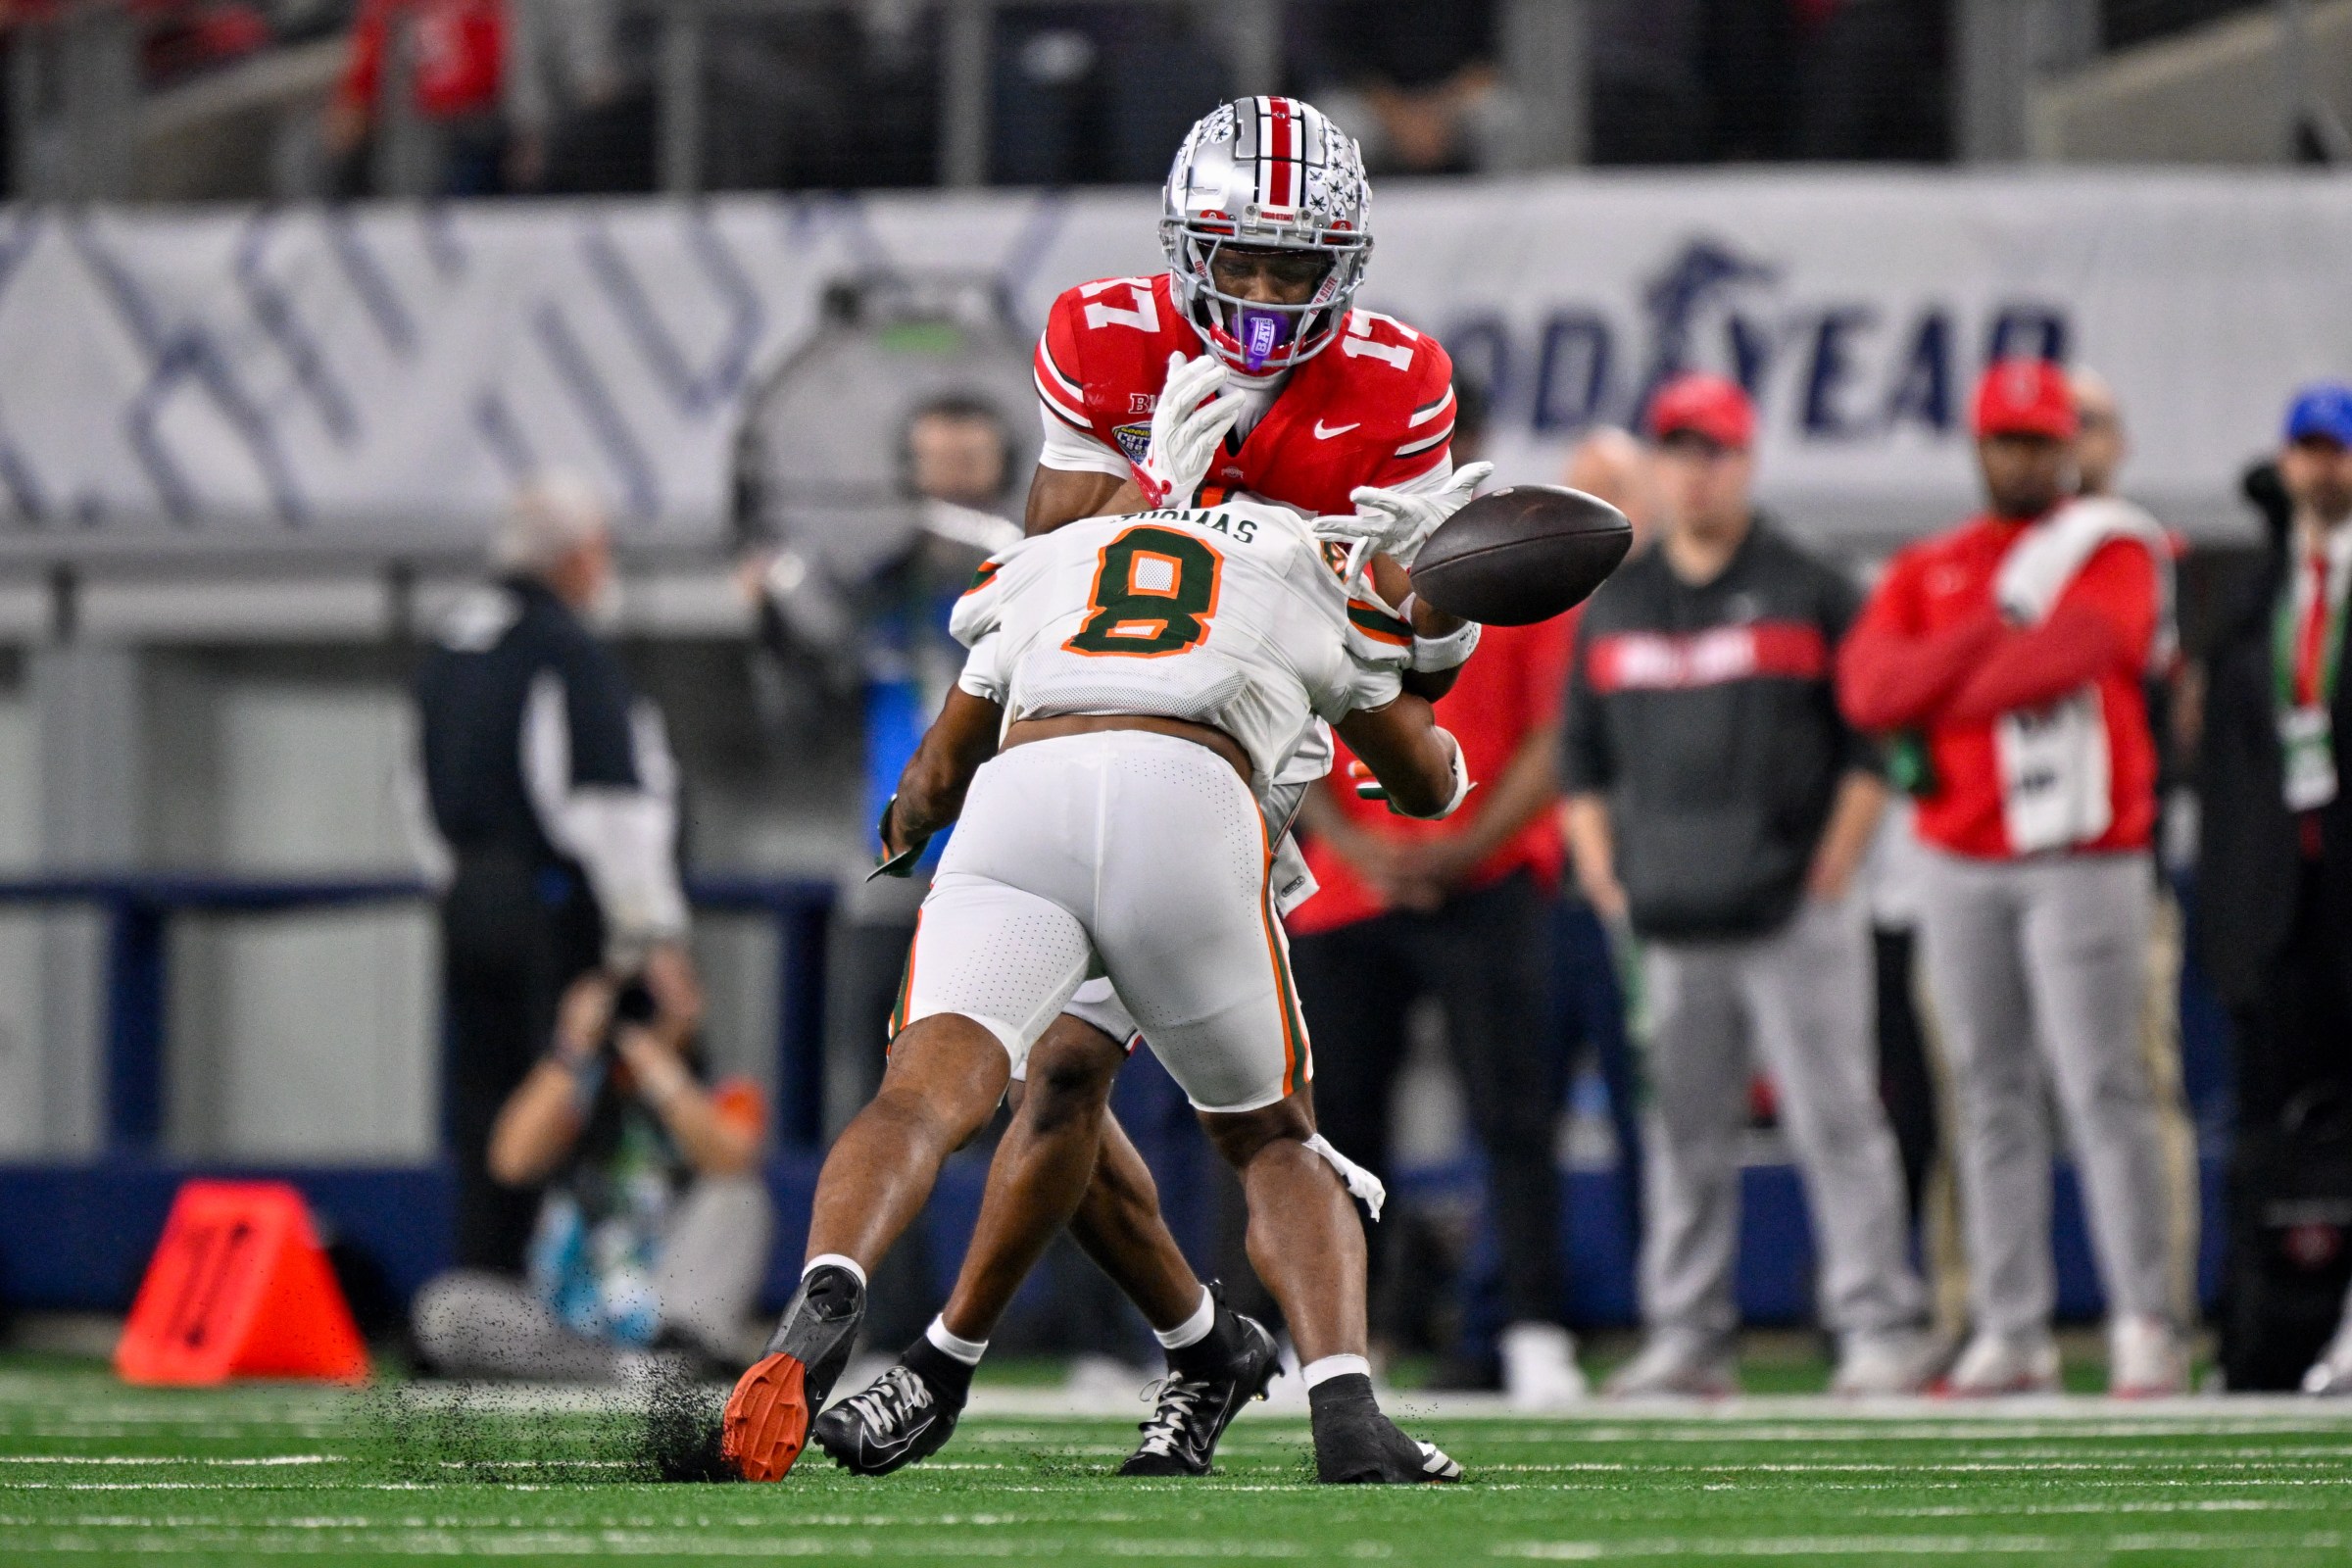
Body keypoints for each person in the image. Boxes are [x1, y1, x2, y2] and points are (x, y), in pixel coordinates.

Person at [835, 95, 1480, 1474]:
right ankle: (1198, 1354)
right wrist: (1154, 483)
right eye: (1234, 263)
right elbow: (1046, 581)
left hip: (1250, 730)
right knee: (1062, 1080)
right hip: (1093, 716)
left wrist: (1421, 617)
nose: (1257, 295)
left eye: (1289, 268)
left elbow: (1402, 670)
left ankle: (965, 1362)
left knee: (1093, 1073)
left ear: (1343, 267)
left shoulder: (1397, 381)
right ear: (1187, 252)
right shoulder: (1107, 332)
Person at [720, 492, 1469, 1487]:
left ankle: (834, 1280)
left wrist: (903, 826)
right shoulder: (1301, 560)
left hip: (1022, 799)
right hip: (1189, 795)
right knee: (1270, 1139)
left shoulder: (1056, 556)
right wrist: (1444, 693)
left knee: (928, 1094)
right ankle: (1345, 1411)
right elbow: (1417, 782)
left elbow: (939, 771)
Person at [1564, 372, 1931, 1397]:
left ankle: (1874, 1325)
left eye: (1714, 450)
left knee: (1838, 1120)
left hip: (1791, 910)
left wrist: (1834, 865)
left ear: (1747, 459)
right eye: (1679, 450)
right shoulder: (1622, 599)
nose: (1697, 470)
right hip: (1672, 917)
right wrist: (1603, 870)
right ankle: (1687, 1336)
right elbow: (1581, 757)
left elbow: (1874, 739)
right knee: (1682, 1135)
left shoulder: (1811, 582)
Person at [1838, 359, 2185, 1396]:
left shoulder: (2113, 542)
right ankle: (2013, 1323)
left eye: (2043, 440)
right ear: (1982, 445)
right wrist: (1989, 637)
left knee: (2106, 1085)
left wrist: (1944, 680)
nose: (2026, 458)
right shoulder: (1935, 563)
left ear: (2071, 447)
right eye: (2009, 439)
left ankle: (2144, 1321)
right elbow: (1867, 688)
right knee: (1985, 1096)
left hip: (2086, 851)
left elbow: (2081, 651)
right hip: (1959, 854)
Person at [1286, 379, 1586, 1408]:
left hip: (1488, 875)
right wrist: (1358, 848)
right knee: (1332, 1129)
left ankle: (1531, 1328)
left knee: (1514, 1112)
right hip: (1347, 883)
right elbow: (1283, 717)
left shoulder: (1520, 556)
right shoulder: (1321, 553)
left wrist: (1461, 847)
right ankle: (1337, 1339)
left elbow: (1555, 734)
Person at [415, 474, 703, 1279]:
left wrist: (457, 882)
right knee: (577, 1101)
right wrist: (649, 930)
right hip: (553, 907)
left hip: (467, 899)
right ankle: (570, 1301)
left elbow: (414, 783)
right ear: (579, 558)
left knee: (481, 1110)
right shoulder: (565, 649)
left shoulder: (450, 645)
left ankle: (482, 1286)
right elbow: (601, 802)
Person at [2194, 383, 2352, 1394]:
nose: (2320, 467)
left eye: (2335, 449)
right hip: (2275, 900)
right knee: (2260, 1124)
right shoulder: (2257, 595)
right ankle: (2256, 1330)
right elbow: (2227, 768)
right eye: (2306, 450)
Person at [412, 970, 770, 1380]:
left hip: (670, 1310)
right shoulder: (580, 1086)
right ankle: (632, 1373)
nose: (643, 1008)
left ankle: (675, 1361)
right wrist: (572, 1047)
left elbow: (732, 1164)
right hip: (568, 1321)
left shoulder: (724, 1089)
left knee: (739, 1197)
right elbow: (510, 1161)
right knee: (444, 1310)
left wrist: (656, 1060)